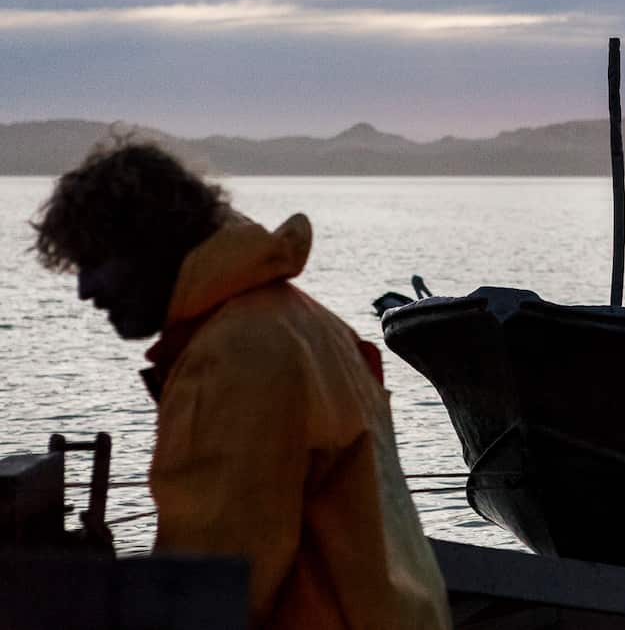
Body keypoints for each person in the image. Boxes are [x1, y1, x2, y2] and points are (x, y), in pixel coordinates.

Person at [31, 138, 451, 630]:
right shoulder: (305, 323)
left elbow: (210, 589)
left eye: (94, 262)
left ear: (150, 242)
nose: (85, 290)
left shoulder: (235, 356)